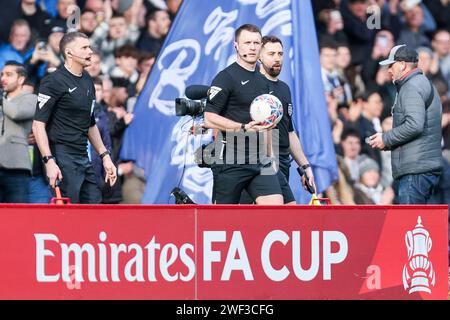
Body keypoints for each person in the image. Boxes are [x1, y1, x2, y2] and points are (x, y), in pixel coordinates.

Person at [32, 31, 117, 204]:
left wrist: (105, 156)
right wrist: (49, 161)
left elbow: (90, 123)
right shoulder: (53, 81)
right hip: (61, 156)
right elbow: (38, 125)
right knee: (69, 216)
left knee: (94, 207)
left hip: (83, 156)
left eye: (90, 47)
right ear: (69, 53)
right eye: (84, 47)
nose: (90, 51)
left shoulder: (87, 80)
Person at [204, 24, 283, 205]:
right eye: (247, 42)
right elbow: (209, 118)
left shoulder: (264, 80)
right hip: (230, 159)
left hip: (260, 158)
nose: (253, 47)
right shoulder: (225, 77)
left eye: (257, 42)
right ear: (236, 46)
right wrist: (242, 128)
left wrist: (272, 157)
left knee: (277, 208)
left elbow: (267, 124)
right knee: (222, 220)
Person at [369, 44, 443, 204]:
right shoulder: (421, 83)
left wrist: (386, 138)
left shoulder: (411, 86)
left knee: (411, 225)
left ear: (402, 65)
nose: (389, 70)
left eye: (391, 65)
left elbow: (414, 125)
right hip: (422, 167)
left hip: (415, 170)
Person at [258, 35, 315, 202]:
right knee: (279, 210)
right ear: (259, 56)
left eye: (280, 54)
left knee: (285, 213)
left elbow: (289, 131)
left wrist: (305, 166)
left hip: (283, 159)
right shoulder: (253, 85)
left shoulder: (284, 88)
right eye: (271, 54)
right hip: (263, 159)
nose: (277, 58)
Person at [0, 61, 37, 203]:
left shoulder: (31, 98)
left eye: (9, 75)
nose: (3, 78)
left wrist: (1, 100)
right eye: (2, 74)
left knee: (17, 217)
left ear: (21, 79)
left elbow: (17, 113)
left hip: (17, 167)